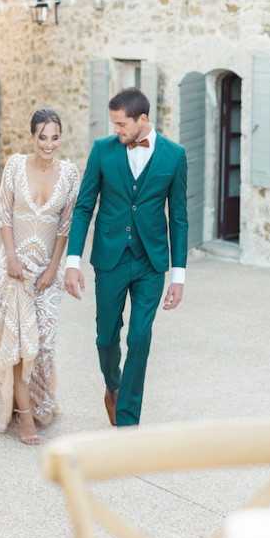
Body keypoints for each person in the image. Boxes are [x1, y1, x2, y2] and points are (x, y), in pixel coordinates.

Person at [64, 87, 188, 428]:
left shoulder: (174, 156)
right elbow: (84, 206)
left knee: (139, 337)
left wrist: (178, 276)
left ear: (143, 119)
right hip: (110, 258)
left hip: (151, 261)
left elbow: (178, 217)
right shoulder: (102, 151)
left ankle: (127, 420)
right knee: (106, 336)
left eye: (122, 124)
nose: (117, 131)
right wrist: (72, 261)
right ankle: (113, 386)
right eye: (114, 124)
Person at [0, 108, 79, 445]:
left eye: (54, 137)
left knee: (43, 347)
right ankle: (24, 420)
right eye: (42, 137)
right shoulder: (15, 166)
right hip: (16, 269)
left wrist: (54, 268)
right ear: (32, 136)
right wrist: (10, 258)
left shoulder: (69, 173)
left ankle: (36, 403)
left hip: (47, 273)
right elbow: (4, 214)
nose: (48, 144)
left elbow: (65, 225)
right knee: (21, 347)